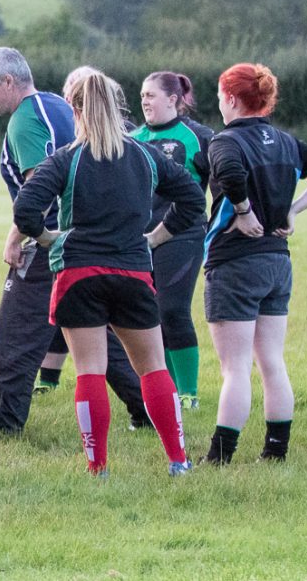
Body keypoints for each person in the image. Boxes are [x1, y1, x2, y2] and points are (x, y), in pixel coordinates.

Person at [14, 70, 205, 475]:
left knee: (89, 370)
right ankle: (178, 460)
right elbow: (192, 200)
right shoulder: (146, 155)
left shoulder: (66, 158)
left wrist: (48, 239)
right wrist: (155, 238)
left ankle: (97, 466)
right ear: (119, 106)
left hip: (78, 274)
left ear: (74, 109)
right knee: (153, 366)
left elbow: (26, 210)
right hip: (133, 272)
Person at [0, 49, 144, 443]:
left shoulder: (25, 121)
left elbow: (40, 190)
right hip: (87, 242)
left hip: (48, 245)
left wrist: (16, 240)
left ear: (8, 82)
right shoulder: (58, 104)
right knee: (99, 334)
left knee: (14, 336)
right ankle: (148, 410)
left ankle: (2, 426)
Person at [201, 63, 307, 465]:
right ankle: (275, 451)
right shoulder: (285, 141)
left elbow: (228, 171)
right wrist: (292, 210)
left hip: (234, 264)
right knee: (271, 360)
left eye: (219, 98)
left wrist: (243, 211)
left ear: (230, 99)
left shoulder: (226, 141)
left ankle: (220, 458)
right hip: (277, 263)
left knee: (235, 368)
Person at [130, 71, 214, 409]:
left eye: (151, 95)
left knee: (173, 309)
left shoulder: (199, 137)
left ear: (173, 99)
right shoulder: (132, 138)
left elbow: (223, 183)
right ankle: (166, 392)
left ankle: (189, 393)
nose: (145, 101)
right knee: (148, 313)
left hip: (184, 232)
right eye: (142, 96)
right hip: (139, 238)